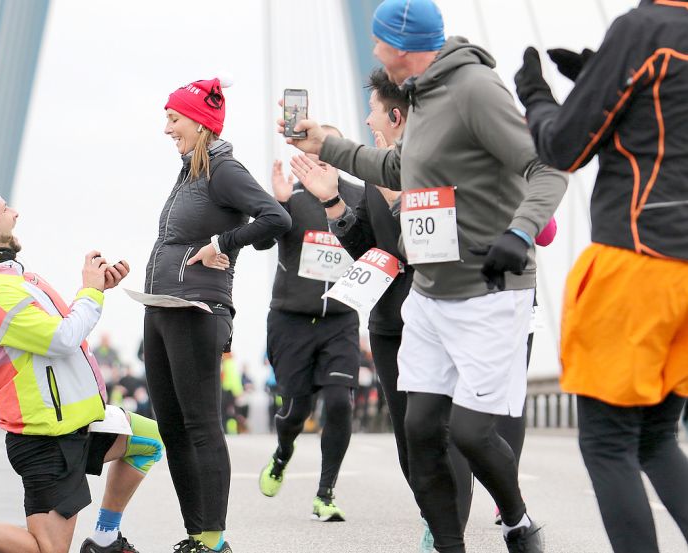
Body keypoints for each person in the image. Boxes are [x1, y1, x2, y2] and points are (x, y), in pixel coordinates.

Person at [281, 1, 568, 550]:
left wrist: (520, 233)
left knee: (471, 433)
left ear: (402, 45)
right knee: (418, 432)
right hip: (431, 297)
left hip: (486, 290)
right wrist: (325, 147)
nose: (373, 51)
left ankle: (517, 524)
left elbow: (545, 168)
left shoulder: (474, 89)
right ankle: (447, 545)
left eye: (378, 42)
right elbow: (398, 170)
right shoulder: (423, 98)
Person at [0, 186, 164, 553]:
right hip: (45, 437)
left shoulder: (12, 279)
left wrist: (97, 289)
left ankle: (104, 540)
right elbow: (63, 338)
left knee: (148, 441)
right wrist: (90, 292)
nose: (15, 214)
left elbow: (60, 335)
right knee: (46, 550)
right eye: (6, 209)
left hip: (75, 423)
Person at [513, 3, 688, 551]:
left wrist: (536, 96)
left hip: (636, 258)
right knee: (657, 438)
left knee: (609, 443)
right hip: (682, 273)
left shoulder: (643, 29)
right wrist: (594, 75)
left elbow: (564, 146)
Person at [144, 77, 292, 553]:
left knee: (201, 425)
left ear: (201, 124)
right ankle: (196, 535)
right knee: (171, 426)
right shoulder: (190, 171)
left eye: (174, 119)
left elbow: (275, 219)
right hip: (161, 308)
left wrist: (222, 244)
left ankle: (214, 538)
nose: (167, 129)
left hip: (196, 310)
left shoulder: (224, 170)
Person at [252, 125, 364, 522]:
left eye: (325, 150)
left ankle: (325, 493)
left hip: (340, 319)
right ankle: (283, 454)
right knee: (295, 412)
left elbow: (374, 242)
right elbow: (261, 242)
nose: (318, 158)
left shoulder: (358, 194)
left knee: (338, 402)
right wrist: (276, 204)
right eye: (311, 151)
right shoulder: (291, 195)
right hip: (291, 319)